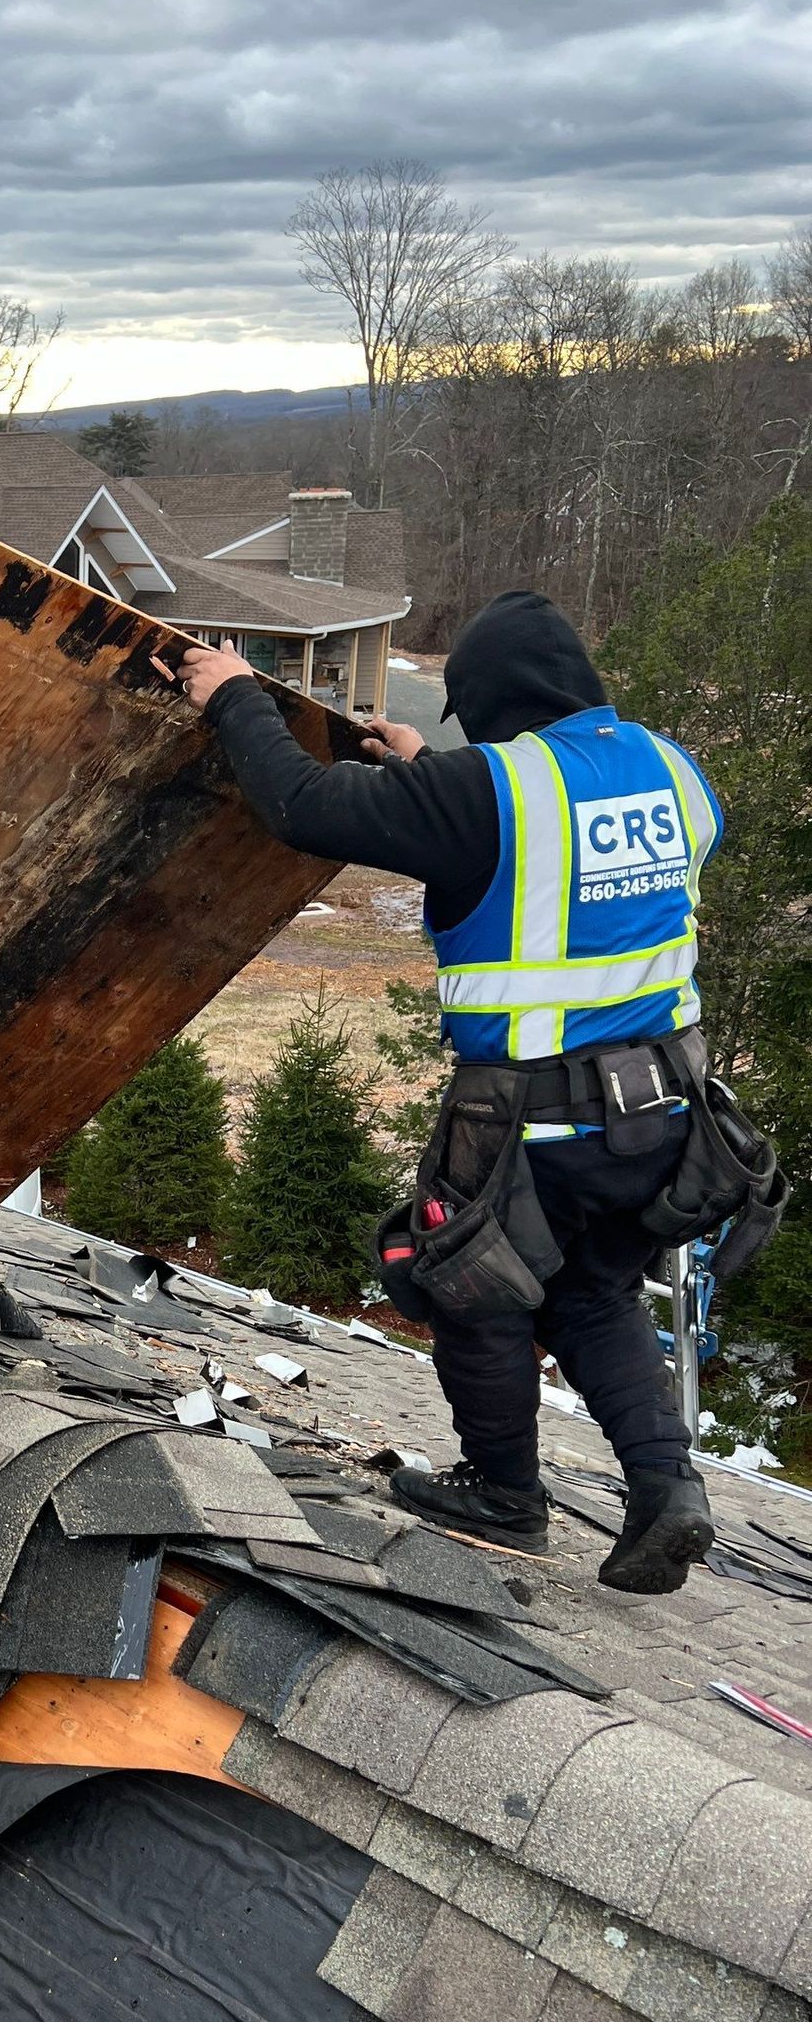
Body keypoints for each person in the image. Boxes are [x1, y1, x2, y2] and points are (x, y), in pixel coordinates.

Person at [158, 590, 748, 1597]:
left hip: (535, 1120)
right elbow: (559, 846)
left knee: (474, 1283)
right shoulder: (673, 770)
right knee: (590, 1290)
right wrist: (434, 781)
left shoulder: (489, 791)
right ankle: (666, 1486)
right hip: (666, 1113)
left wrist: (233, 696)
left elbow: (301, 805)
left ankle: (505, 1493)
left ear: (494, 704)